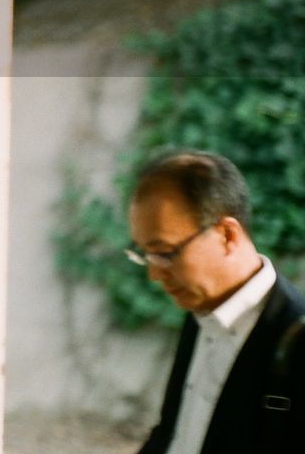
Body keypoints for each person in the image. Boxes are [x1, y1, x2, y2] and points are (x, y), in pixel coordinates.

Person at [128, 149, 305, 454]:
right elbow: (174, 432)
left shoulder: (296, 341)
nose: (155, 274)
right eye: (147, 255)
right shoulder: (200, 309)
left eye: (167, 253)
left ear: (226, 235)